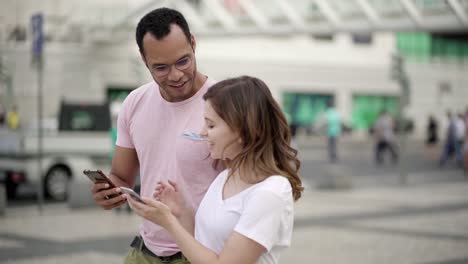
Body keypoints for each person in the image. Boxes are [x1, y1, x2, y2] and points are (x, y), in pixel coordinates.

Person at [90, 8, 221, 264]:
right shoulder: (134, 104)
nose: (175, 75)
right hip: (145, 251)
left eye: (183, 61)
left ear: (193, 43)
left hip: (201, 252)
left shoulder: (222, 102)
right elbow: (121, 176)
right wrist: (108, 191)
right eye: (160, 67)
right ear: (143, 58)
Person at [127, 76, 303, 264]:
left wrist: (168, 223)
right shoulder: (226, 177)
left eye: (211, 125)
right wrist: (181, 212)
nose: (202, 132)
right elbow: (205, 243)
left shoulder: (270, 192)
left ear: (244, 130)